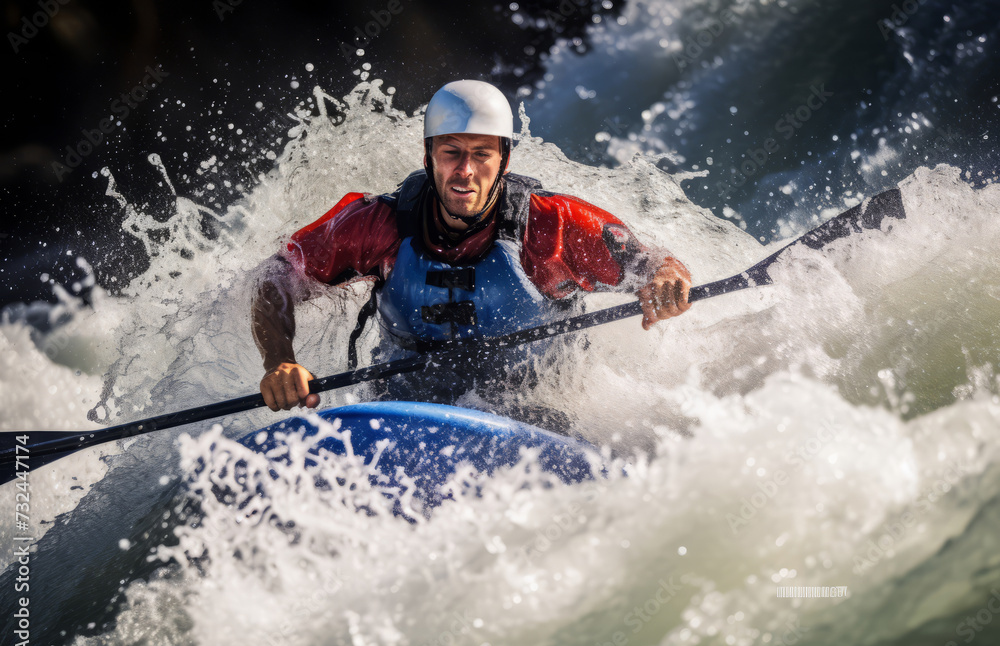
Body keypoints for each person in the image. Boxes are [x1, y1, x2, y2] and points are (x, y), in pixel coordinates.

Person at [251, 80, 691, 427]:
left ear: (504, 159)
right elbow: (275, 277)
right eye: (451, 153)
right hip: (403, 409)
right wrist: (280, 361)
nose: (465, 171)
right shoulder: (378, 224)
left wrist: (666, 280)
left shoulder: (554, 224)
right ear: (428, 157)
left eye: (481, 154)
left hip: (535, 412)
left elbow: (652, 265)